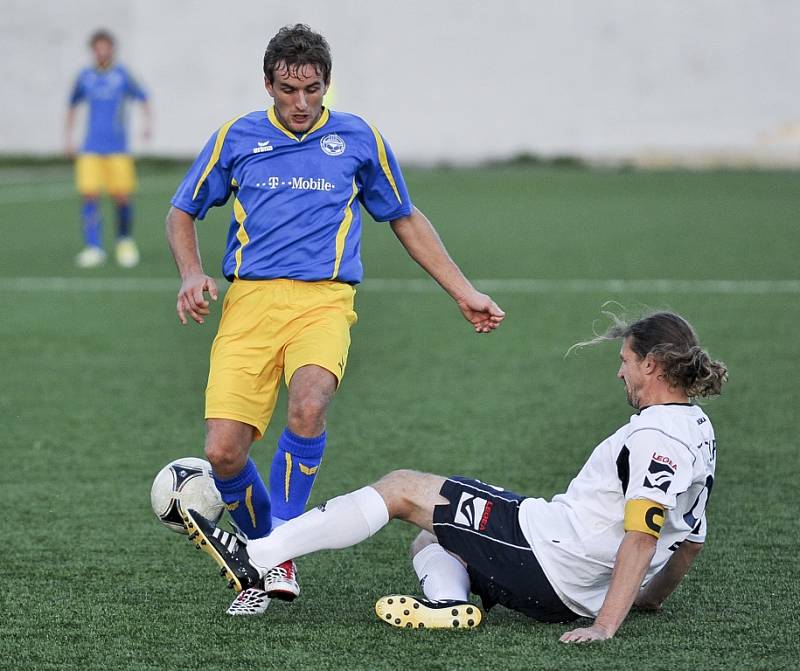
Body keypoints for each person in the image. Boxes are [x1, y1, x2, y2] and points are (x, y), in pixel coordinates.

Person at [166, 24, 505, 616]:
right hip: (248, 304)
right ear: (268, 83)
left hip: (324, 301)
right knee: (223, 453)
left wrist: (462, 290)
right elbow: (182, 210)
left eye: (313, 90)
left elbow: (404, 216)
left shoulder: (357, 137)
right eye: (288, 90)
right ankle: (269, 546)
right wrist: (191, 273)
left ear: (327, 83)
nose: (300, 104)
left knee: (310, 402)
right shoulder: (236, 137)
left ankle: (274, 549)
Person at [183, 311, 727, 641]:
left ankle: (256, 556)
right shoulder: (697, 429)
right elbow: (692, 542)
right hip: (564, 568)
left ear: (652, 366)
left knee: (401, 488)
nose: (621, 370)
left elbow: (642, 533)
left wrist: (607, 624)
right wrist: (649, 600)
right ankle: (450, 603)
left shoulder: (653, 439)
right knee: (432, 531)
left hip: (548, 557)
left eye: (628, 361)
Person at [65, 29, 151, 268]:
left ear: (112, 49)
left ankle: (124, 242)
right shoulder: (84, 76)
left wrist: (147, 125)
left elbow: (144, 97)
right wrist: (69, 137)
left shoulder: (122, 75)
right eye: (98, 47)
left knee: (122, 196)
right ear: (93, 50)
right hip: (90, 148)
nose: (102, 51)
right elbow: (72, 105)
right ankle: (94, 247)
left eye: (106, 47)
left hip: (118, 149)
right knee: (90, 195)